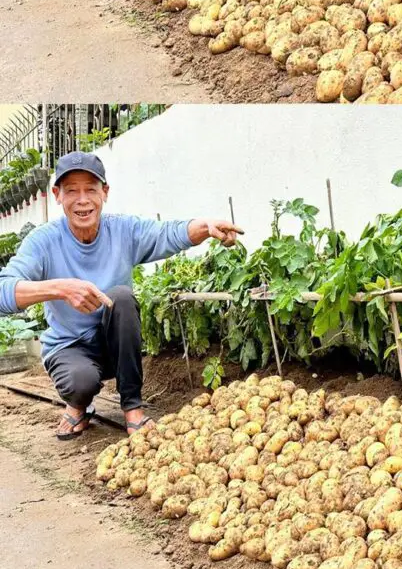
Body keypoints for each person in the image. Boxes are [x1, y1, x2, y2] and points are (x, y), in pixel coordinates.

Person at [0, 150, 243, 440]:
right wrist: (60, 288)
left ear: (105, 193)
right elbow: (4, 290)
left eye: (91, 189)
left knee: (122, 297)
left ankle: (132, 409)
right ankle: (78, 403)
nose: (82, 200)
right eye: (72, 191)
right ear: (57, 195)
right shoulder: (43, 241)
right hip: (69, 348)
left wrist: (206, 227)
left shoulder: (123, 231)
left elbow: (166, 233)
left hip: (113, 346)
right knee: (81, 382)